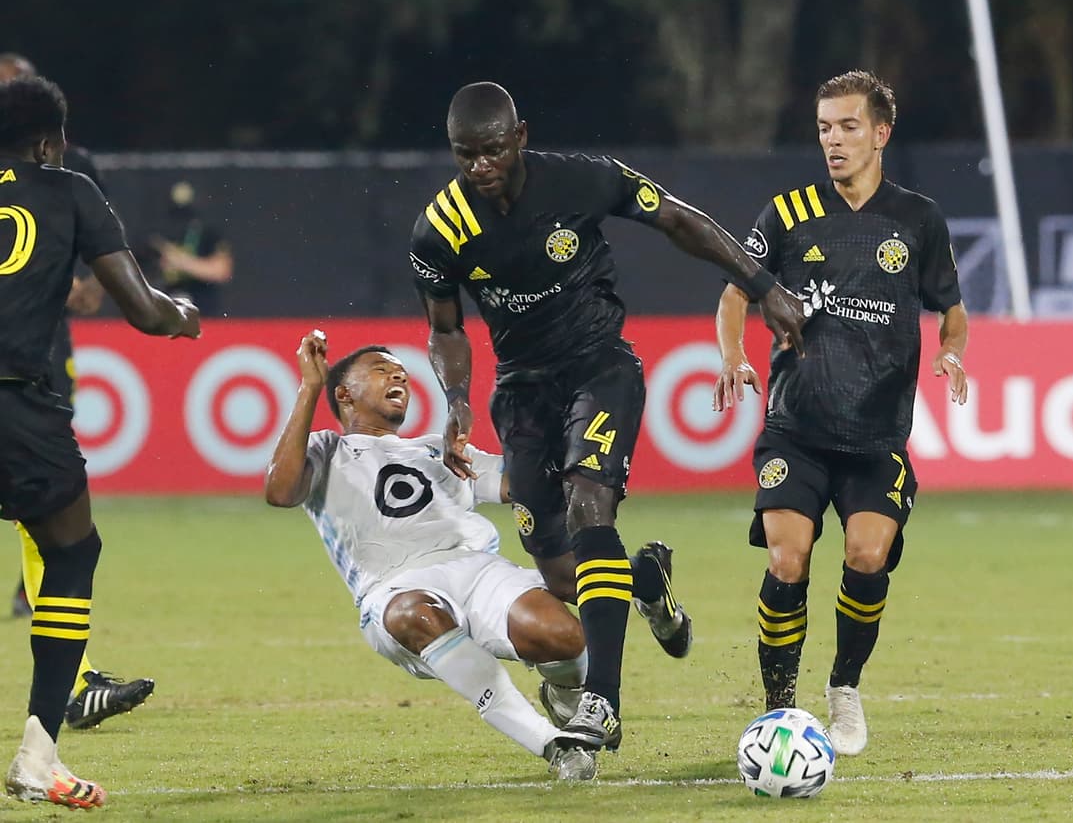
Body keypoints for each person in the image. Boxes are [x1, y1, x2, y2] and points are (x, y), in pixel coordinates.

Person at [408, 81, 807, 756]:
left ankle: (603, 704)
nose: (479, 166)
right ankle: (646, 583)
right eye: (465, 155)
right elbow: (444, 329)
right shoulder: (438, 230)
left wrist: (764, 286)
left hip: (600, 369)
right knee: (562, 573)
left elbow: (679, 219)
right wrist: (457, 401)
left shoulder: (581, 181)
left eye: (492, 150)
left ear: (522, 136)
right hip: (522, 392)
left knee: (592, 505)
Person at [712, 70, 970, 757]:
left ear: (881, 133)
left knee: (867, 554)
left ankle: (844, 687)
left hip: (875, 434)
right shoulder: (787, 213)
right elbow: (738, 291)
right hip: (796, 428)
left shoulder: (917, 219)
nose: (834, 140)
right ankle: (776, 710)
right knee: (787, 557)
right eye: (825, 127)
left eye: (848, 126)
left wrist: (951, 352)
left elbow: (951, 307)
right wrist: (734, 355)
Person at [264, 331, 597, 780]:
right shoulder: (328, 450)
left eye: (401, 371)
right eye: (381, 369)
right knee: (415, 614)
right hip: (394, 588)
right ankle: (553, 745)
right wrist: (308, 386)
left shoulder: (434, 449)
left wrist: (564, 449)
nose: (398, 374)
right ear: (344, 392)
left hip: (477, 569)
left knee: (562, 635)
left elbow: (521, 484)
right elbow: (280, 491)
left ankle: (564, 693)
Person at [1, 75, 200, 808]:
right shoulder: (70, 189)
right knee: (71, 551)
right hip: (17, 404)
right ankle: (37, 754)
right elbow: (144, 311)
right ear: (52, 141)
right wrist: (184, 315)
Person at [0, 52, 158, 732]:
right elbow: (126, 299)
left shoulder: (71, 173)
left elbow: (89, 289)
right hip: (19, 381)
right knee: (61, 532)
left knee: (50, 533)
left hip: (37, 355)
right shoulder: (67, 181)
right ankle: (68, 692)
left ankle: (77, 680)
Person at [149, 180, 234, 317]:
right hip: (163, 311)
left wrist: (182, 262)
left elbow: (222, 270)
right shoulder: (154, 236)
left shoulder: (208, 233)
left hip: (204, 310)